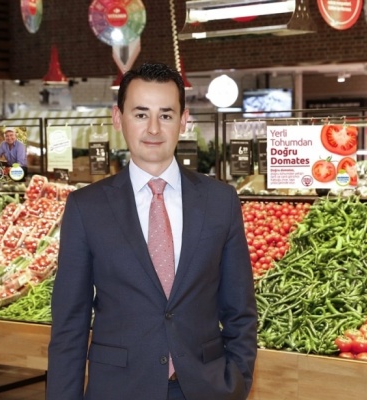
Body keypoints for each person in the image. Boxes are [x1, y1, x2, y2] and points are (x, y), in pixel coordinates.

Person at [47, 63, 257, 400]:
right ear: (118, 118)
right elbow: (69, 325)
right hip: (119, 390)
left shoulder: (220, 201)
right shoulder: (87, 208)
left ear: (184, 120)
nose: (154, 128)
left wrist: (237, 383)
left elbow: (240, 310)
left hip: (206, 388)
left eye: (166, 115)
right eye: (141, 114)